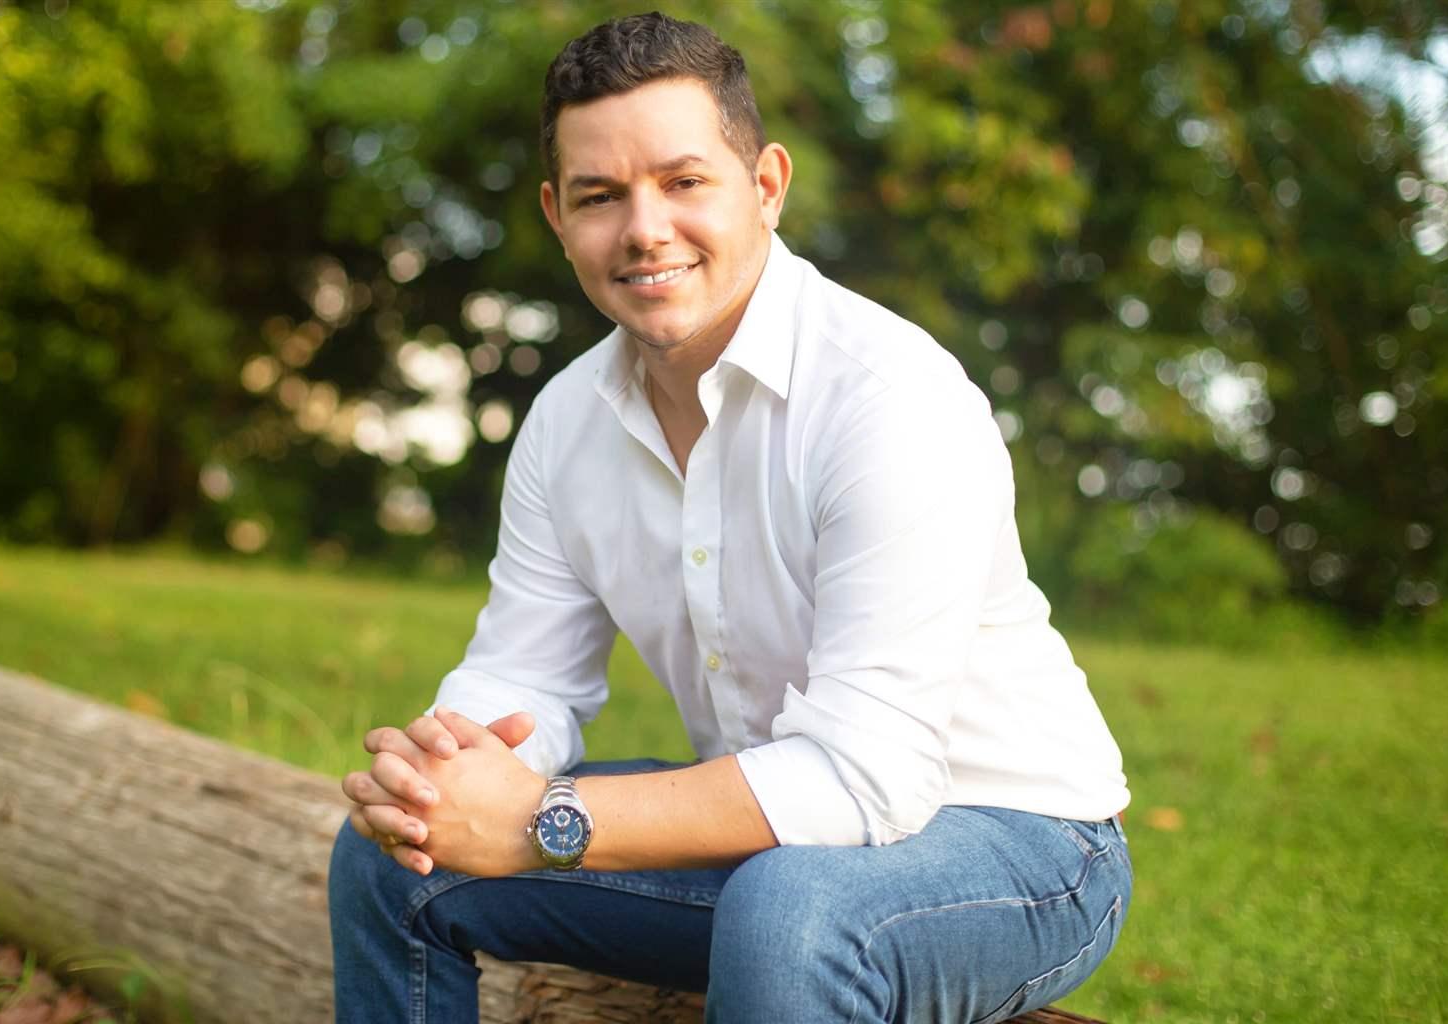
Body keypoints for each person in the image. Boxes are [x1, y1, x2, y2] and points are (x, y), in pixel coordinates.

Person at [328, 12, 1132, 1023]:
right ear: (554, 213)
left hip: (1021, 843)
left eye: (683, 181)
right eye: (600, 196)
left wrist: (542, 818)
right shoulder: (566, 423)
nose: (643, 228)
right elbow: (524, 673)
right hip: (770, 844)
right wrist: (444, 777)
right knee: (390, 856)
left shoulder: (888, 396)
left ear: (765, 185)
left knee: (789, 910)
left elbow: (861, 776)